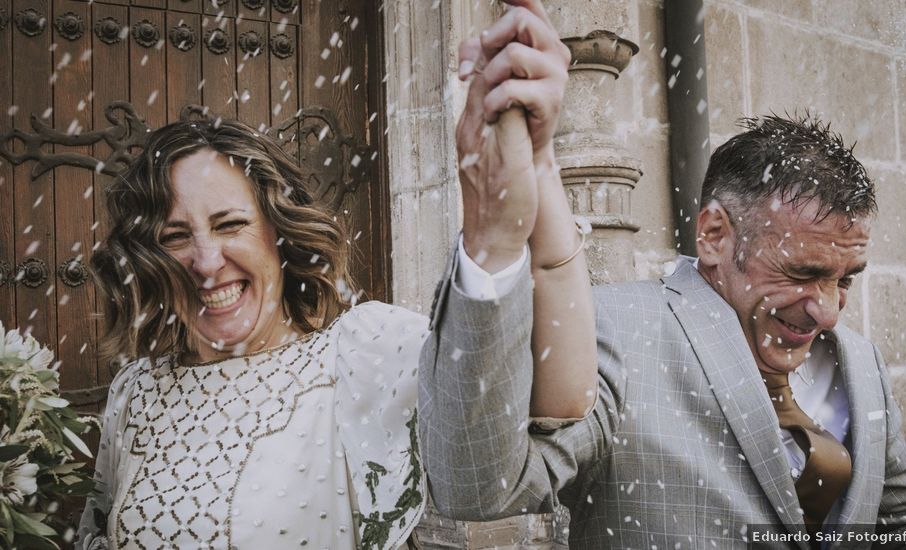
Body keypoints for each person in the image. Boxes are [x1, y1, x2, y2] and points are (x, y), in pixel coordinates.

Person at [76, 1, 595, 548]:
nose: (206, 262)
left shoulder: (364, 354)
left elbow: (560, 399)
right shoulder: (136, 391)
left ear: (280, 237)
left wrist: (537, 163)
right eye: (175, 237)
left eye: (230, 225)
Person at [419, 58, 906, 550]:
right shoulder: (616, 332)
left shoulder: (862, 363)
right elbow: (480, 489)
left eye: (845, 279)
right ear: (714, 234)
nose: (827, 311)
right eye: (802, 273)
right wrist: (495, 240)